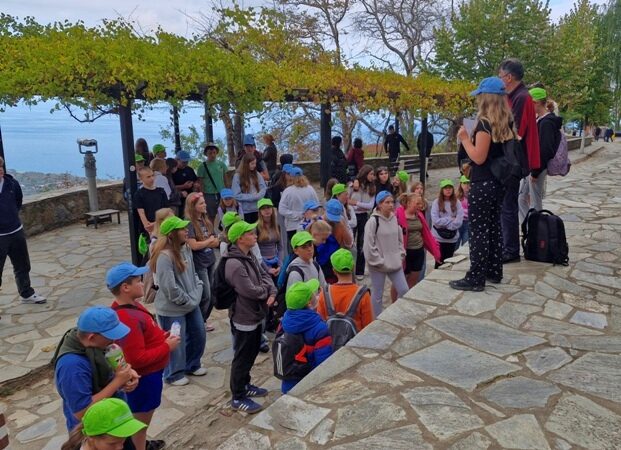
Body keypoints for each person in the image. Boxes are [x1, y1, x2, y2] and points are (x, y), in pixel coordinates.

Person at [107, 263, 178, 450]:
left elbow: (145, 335)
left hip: (150, 376)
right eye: (138, 280)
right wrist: (166, 347)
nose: (143, 282)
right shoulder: (127, 317)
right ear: (125, 287)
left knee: (141, 424)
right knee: (139, 425)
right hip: (145, 379)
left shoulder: (133, 306)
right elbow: (136, 358)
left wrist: (160, 336)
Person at [450, 77, 509, 291]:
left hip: (483, 182)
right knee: (493, 226)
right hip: (498, 182)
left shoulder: (485, 123)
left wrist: (465, 138)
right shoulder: (506, 122)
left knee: (479, 230)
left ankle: (476, 277)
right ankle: (494, 269)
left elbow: (479, 157)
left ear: (485, 98)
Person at [53, 306, 139, 433]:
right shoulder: (72, 367)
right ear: (91, 337)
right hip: (96, 432)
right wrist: (118, 382)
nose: (114, 340)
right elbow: (82, 412)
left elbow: (112, 367)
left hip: (115, 419)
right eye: (110, 336)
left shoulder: (95, 345)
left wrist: (128, 373)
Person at [224, 220, 276, 413]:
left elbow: (265, 275)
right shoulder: (235, 264)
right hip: (244, 316)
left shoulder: (250, 255)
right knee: (242, 356)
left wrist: (271, 291)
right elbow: (250, 291)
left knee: (251, 352)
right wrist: (267, 292)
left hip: (255, 313)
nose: (255, 235)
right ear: (240, 239)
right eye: (250, 233)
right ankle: (237, 396)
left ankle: (245, 384)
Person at [150, 216, 206, 386]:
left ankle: (192, 364)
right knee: (176, 342)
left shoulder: (186, 248)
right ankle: (173, 373)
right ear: (172, 234)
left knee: (199, 334)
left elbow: (194, 274)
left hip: (191, 303)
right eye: (182, 229)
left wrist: (197, 289)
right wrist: (188, 300)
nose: (186, 230)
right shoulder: (164, 257)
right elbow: (169, 288)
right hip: (173, 309)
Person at [498, 58, 540, 263]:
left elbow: (516, 130)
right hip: (511, 157)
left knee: (508, 206)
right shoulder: (516, 96)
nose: (500, 79)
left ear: (509, 77)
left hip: (512, 159)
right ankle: (507, 245)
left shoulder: (521, 97)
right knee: (506, 204)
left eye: (501, 76)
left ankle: (510, 250)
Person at [0, 156, 47, 304]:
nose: (0, 170)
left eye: (0, 167)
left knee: (22, 265)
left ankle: (26, 293)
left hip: (15, 231)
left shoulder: (12, 184)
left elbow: (18, 202)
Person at [280, 279, 333, 394]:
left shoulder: (284, 323)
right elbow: (323, 364)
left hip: (288, 384)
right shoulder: (320, 329)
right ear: (309, 303)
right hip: (309, 387)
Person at [518, 87, 562, 223]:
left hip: (537, 167)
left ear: (536, 102)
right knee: (521, 198)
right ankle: (529, 226)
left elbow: (545, 150)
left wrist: (535, 172)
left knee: (535, 202)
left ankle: (537, 231)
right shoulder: (540, 120)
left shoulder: (547, 123)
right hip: (532, 166)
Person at [363, 191, 408, 315]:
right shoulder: (372, 222)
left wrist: (401, 255)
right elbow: (368, 245)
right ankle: (375, 320)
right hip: (378, 265)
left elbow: (399, 239)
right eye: (387, 202)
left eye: (392, 202)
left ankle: (398, 313)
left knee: (404, 290)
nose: (391, 205)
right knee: (377, 295)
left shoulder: (394, 219)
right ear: (379, 204)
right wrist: (379, 261)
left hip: (394, 262)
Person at [185, 193, 219, 330]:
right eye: (201, 203)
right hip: (200, 264)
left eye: (204, 202)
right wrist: (208, 241)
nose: (205, 205)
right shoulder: (189, 223)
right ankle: (198, 321)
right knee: (205, 294)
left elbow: (216, 241)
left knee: (212, 294)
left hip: (210, 260)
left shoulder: (206, 220)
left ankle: (202, 319)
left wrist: (206, 242)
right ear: (193, 207)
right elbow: (193, 245)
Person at [317, 248, 373, 331]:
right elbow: (368, 326)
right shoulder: (363, 295)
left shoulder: (324, 294)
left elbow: (320, 322)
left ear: (334, 271)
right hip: (354, 341)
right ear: (353, 267)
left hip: (331, 341)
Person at [61, 398, 147, 450]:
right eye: (112, 444)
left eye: (123, 439)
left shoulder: (123, 442)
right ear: (91, 438)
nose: (120, 447)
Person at [395, 193, 441, 289]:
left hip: (418, 251)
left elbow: (427, 233)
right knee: (399, 281)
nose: (420, 206)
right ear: (408, 203)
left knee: (413, 279)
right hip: (405, 252)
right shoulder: (398, 216)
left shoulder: (419, 215)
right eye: (417, 203)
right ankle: (395, 302)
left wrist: (435, 249)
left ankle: (407, 299)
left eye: (421, 204)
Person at [278, 166, 319, 249]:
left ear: (291, 177)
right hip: (309, 225)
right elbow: (317, 205)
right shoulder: (310, 189)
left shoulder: (288, 191)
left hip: (293, 226)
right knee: (310, 248)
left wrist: (296, 215)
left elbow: (281, 210)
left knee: (295, 250)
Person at [316, 199, 354, 284]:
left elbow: (349, 243)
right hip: (322, 264)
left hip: (336, 261)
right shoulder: (317, 224)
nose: (332, 221)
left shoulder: (340, 222)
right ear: (324, 211)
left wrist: (342, 226)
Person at [348, 165, 376, 280]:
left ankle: (360, 270)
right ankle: (349, 268)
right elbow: (348, 201)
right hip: (352, 216)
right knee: (350, 241)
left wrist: (357, 204)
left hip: (364, 217)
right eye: (371, 174)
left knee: (362, 242)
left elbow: (369, 206)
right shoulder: (353, 186)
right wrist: (355, 205)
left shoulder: (372, 188)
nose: (373, 177)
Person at [431, 179, 463, 267]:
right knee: (439, 261)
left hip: (452, 238)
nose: (448, 190)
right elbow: (436, 221)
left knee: (449, 262)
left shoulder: (457, 203)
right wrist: (450, 219)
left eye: (450, 188)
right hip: (438, 238)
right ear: (442, 190)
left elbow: (459, 221)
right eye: (445, 188)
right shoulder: (436, 203)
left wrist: (446, 226)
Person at [133, 168, 169, 238]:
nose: (152, 178)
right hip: (148, 227)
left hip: (162, 224)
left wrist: (157, 223)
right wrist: (148, 228)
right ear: (141, 179)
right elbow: (141, 213)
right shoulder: (139, 194)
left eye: (152, 176)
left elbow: (167, 210)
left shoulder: (161, 191)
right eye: (148, 177)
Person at [232, 153, 267, 224]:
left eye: (255, 163)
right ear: (246, 164)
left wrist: (259, 196)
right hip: (245, 211)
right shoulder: (237, 176)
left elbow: (263, 188)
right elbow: (236, 195)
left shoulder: (257, 174)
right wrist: (252, 197)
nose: (254, 165)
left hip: (257, 209)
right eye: (252, 163)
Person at [197, 143, 229, 222]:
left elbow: (226, 178)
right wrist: (202, 194)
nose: (212, 155)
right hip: (209, 193)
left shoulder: (221, 164)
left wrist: (228, 191)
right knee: (211, 215)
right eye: (210, 153)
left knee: (225, 212)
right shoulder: (202, 166)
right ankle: (211, 232)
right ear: (206, 154)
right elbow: (200, 182)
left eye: (214, 152)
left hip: (221, 193)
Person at [256, 198, 281, 281]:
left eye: (269, 207)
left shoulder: (277, 225)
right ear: (260, 211)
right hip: (262, 263)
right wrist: (267, 269)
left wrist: (280, 264)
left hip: (275, 261)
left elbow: (280, 247)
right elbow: (255, 251)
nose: (267, 210)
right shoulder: (256, 227)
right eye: (263, 208)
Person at [456, 175, 471, 249]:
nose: (467, 185)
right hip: (458, 223)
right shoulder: (457, 196)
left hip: (468, 223)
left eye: (468, 183)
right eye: (465, 183)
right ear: (461, 184)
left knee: (466, 244)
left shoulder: (473, 195)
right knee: (455, 246)